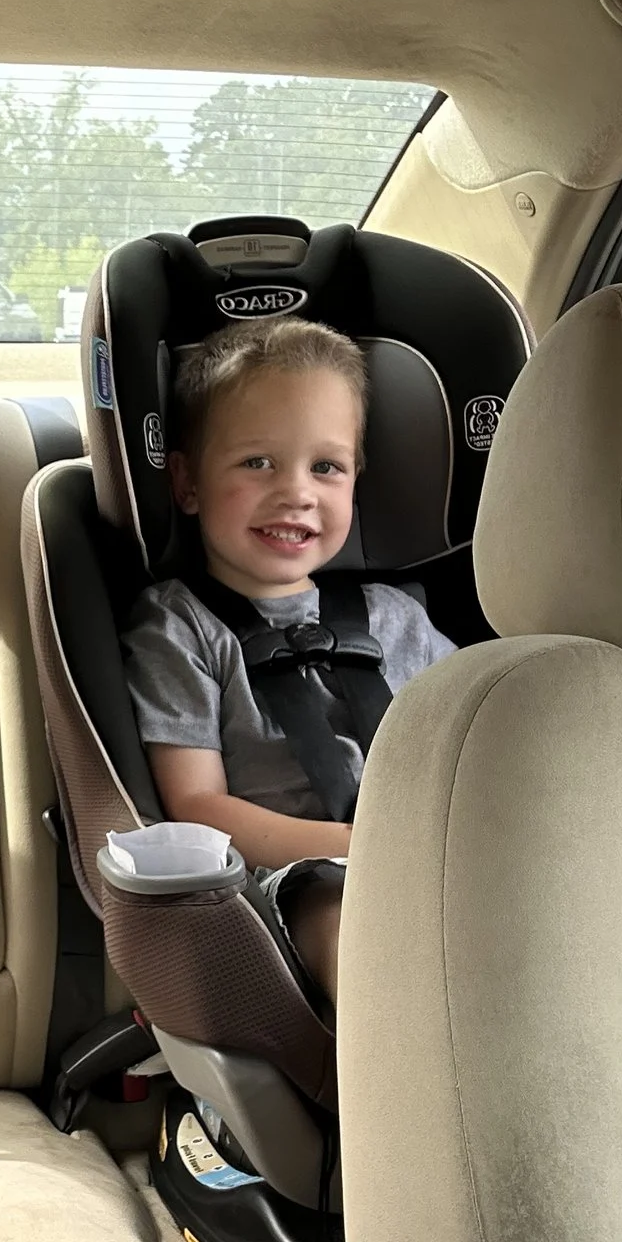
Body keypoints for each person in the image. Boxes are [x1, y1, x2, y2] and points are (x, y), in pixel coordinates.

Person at [120, 315, 455, 999]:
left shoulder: (398, 617)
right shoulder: (179, 626)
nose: (297, 492)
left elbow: (475, 738)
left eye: (326, 467)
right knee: (352, 927)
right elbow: (197, 804)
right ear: (187, 482)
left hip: (438, 854)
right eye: (257, 463)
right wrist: (362, 847)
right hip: (296, 880)